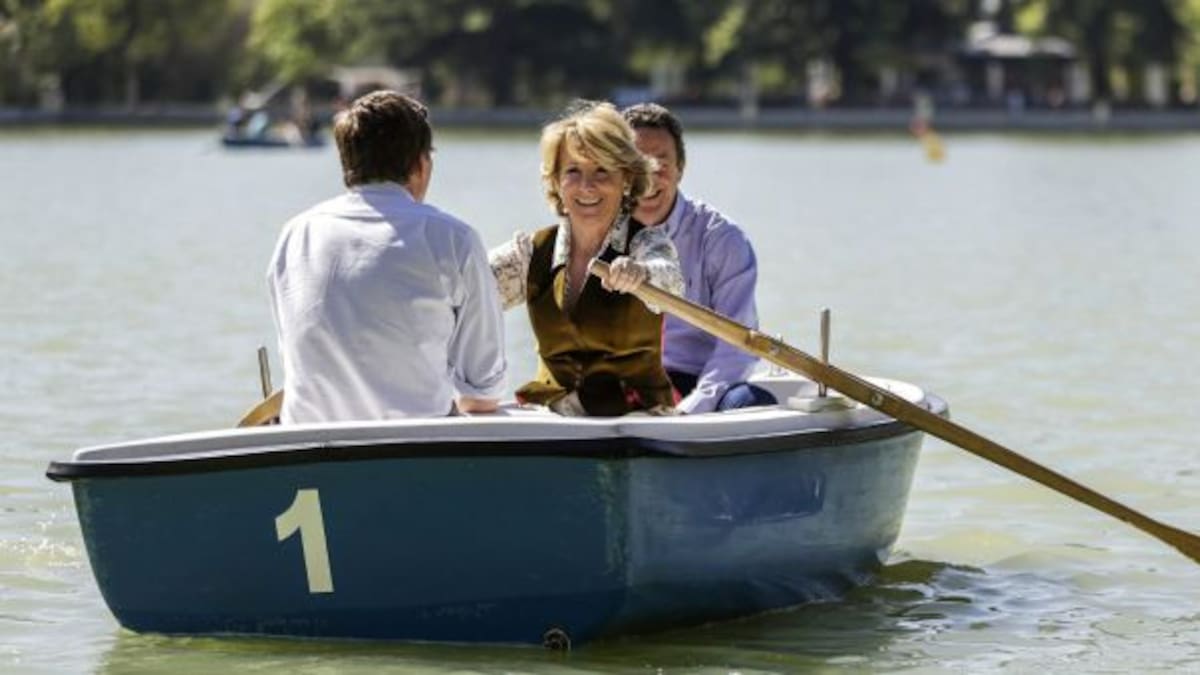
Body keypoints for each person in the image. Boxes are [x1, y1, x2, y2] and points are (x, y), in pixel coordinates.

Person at [267, 90, 505, 423]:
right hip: (414, 445)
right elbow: (483, 393)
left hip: (307, 442)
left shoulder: (295, 235)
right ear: (421, 164)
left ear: (347, 164)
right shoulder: (453, 238)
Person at [489, 100, 684, 416]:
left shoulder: (647, 242)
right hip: (553, 416)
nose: (587, 186)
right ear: (556, 181)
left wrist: (641, 274)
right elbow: (468, 289)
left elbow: (670, 280)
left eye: (601, 170)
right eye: (573, 171)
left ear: (626, 179)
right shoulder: (531, 251)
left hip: (636, 419)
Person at [622, 102, 775, 414]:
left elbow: (737, 347)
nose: (648, 177)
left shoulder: (723, 238)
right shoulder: (597, 233)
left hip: (700, 382)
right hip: (624, 383)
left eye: (661, 162)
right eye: (636, 164)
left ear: (681, 168)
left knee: (750, 403)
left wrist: (689, 412)